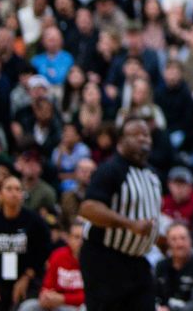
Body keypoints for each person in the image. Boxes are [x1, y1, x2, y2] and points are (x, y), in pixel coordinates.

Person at [78, 117, 162, 311]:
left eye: (147, 134)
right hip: (105, 258)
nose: (144, 139)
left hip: (138, 259)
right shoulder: (110, 169)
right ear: (121, 141)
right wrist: (130, 225)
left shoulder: (152, 174)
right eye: (137, 134)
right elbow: (88, 208)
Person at [0, 174, 50, 311]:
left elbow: (44, 251)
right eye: (9, 189)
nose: (14, 193)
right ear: (0, 194)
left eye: (18, 189)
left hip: (28, 280)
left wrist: (27, 276)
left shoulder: (35, 221)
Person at [16, 221, 85, 311]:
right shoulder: (58, 255)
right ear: (68, 238)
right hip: (56, 304)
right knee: (28, 306)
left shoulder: (93, 261)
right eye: (76, 237)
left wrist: (63, 298)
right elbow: (47, 285)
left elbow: (92, 295)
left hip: (76, 306)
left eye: (83, 239)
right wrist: (45, 296)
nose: (80, 242)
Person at [155, 222, 193, 311]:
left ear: (191, 240)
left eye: (183, 238)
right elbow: (154, 295)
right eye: (174, 239)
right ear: (168, 242)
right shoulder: (160, 265)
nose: (179, 244)